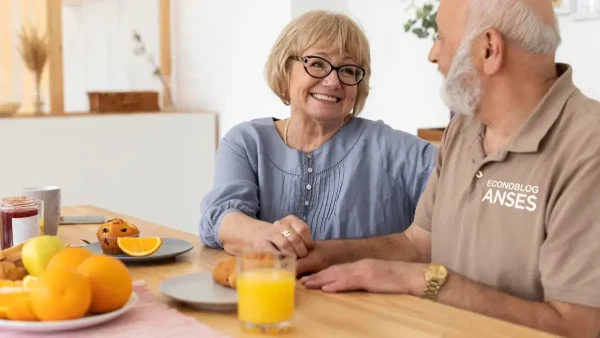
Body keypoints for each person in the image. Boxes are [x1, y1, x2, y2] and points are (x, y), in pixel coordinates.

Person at [298, 0, 600, 336]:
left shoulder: (589, 147)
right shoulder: (464, 128)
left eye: (441, 38)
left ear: (489, 49)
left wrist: (425, 281)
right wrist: (322, 255)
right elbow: (418, 244)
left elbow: (580, 325)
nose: (432, 54)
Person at [199, 11, 437, 258]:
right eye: (317, 64)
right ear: (285, 69)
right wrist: (266, 236)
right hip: (267, 295)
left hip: (367, 298)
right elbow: (223, 219)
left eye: (347, 70)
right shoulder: (246, 143)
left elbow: (469, 186)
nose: (333, 81)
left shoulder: (391, 148)